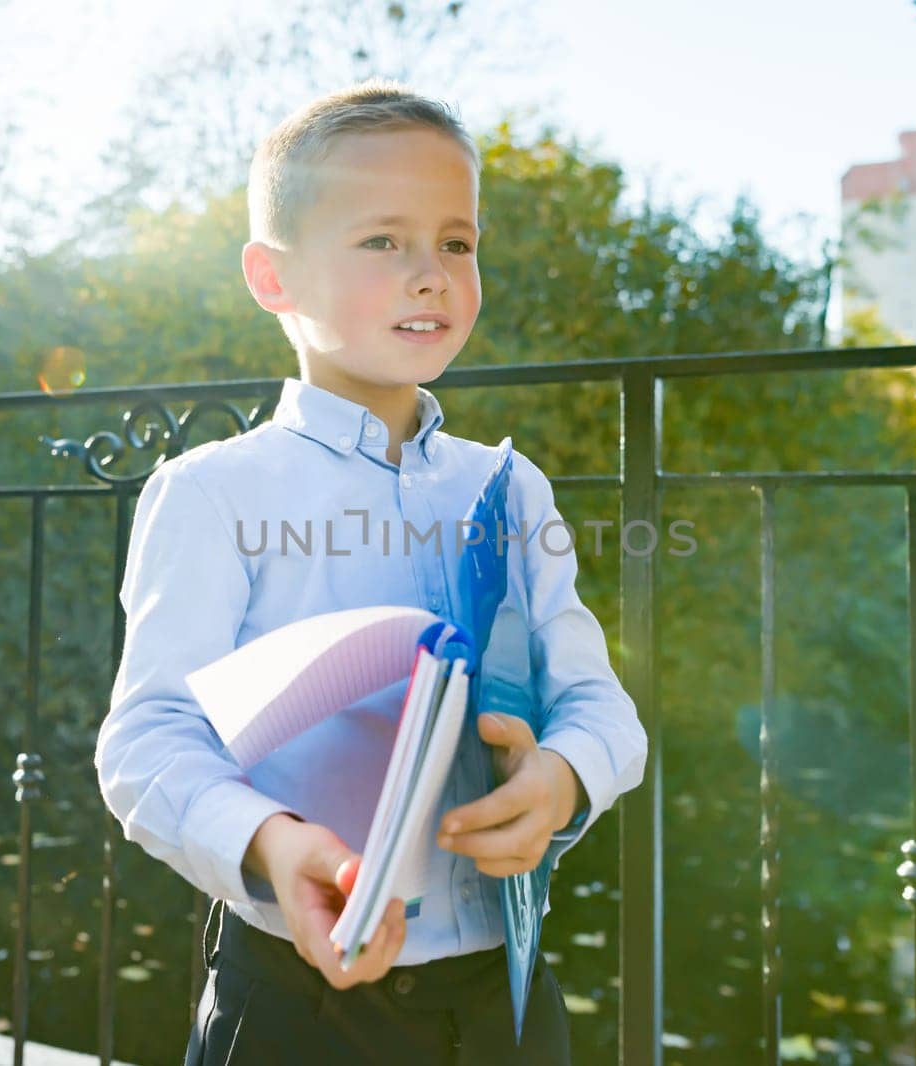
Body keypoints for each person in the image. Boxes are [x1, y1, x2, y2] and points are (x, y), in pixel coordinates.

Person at [95, 80, 647, 1065]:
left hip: (503, 1006)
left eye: (457, 242)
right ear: (274, 278)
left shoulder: (512, 488)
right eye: (382, 241)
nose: (430, 274)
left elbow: (601, 708)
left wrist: (563, 778)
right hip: (293, 1007)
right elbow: (149, 741)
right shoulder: (212, 492)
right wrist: (269, 844)